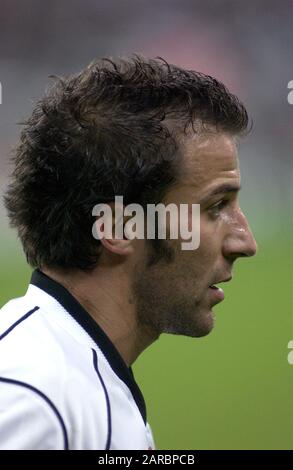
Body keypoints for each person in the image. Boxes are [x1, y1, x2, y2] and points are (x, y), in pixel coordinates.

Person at [0, 55, 257, 450]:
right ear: (119, 227)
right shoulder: (33, 403)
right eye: (215, 207)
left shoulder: (73, 380)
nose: (245, 242)